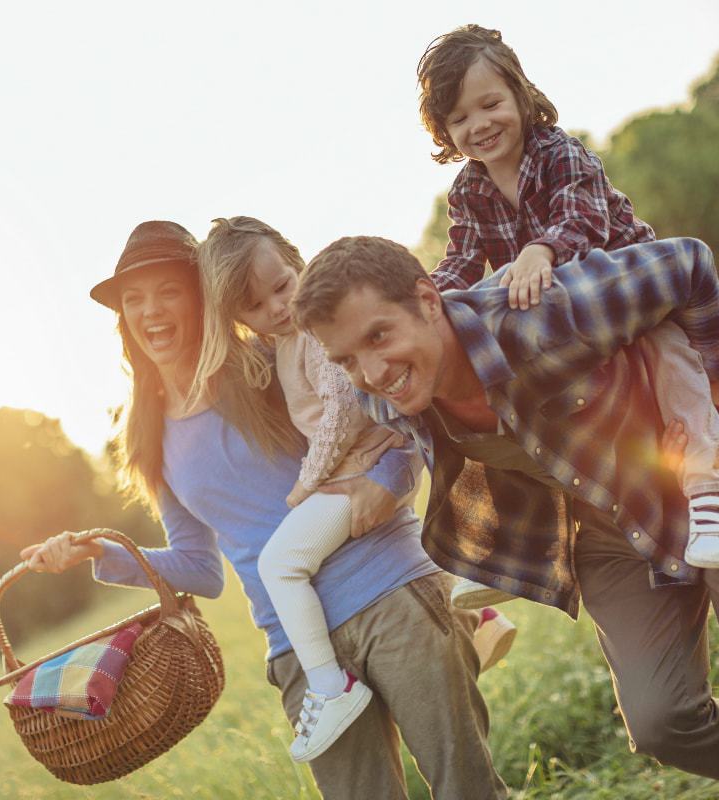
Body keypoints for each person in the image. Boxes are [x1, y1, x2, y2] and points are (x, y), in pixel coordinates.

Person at [293, 234, 719, 799]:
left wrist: (707, 400)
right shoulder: (383, 394)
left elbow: (688, 263)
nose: (371, 372)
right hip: (606, 522)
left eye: (379, 336)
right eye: (346, 359)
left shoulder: (540, 312)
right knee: (663, 721)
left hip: (713, 483)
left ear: (428, 301)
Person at [22, 220, 509, 799]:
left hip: (389, 592)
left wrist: (389, 481)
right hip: (297, 647)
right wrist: (102, 553)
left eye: (168, 291)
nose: (151, 311)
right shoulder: (146, 436)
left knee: (468, 790)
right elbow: (199, 568)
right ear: (122, 317)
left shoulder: (267, 364)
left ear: (203, 297)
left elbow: (384, 416)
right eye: (134, 300)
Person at [417, 26, 719, 605]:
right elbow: (462, 260)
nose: (480, 125)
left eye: (491, 104)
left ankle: (708, 492)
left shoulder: (559, 152)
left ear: (519, 94)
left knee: (671, 361)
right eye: (461, 119)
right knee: (515, 405)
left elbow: (581, 222)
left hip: (629, 299)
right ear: (445, 131)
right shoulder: (468, 191)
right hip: (565, 327)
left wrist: (539, 252)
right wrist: (426, 309)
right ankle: (519, 547)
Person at [192, 216, 515, 761]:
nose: (275, 307)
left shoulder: (318, 338)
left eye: (281, 286)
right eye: (255, 306)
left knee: (281, 566)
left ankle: (330, 687)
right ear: (237, 318)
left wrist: (308, 482)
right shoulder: (286, 346)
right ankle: (478, 618)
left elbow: (342, 411)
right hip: (353, 467)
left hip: (356, 465)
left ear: (299, 265)